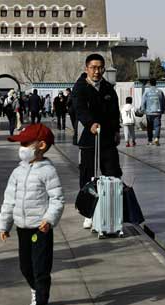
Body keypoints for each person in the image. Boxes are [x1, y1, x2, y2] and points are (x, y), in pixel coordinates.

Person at [0, 123, 64, 305]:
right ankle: (37, 291)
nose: (22, 148)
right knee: (25, 266)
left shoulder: (48, 171)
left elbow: (57, 199)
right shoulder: (17, 172)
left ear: (41, 145)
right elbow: (9, 200)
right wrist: (4, 224)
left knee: (40, 268)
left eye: (26, 143)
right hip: (21, 227)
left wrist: (49, 219)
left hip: (40, 228)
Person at [72, 53, 122, 229]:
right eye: (93, 67)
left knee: (113, 173)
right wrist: (90, 123)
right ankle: (88, 212)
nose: (97, 71)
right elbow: (79, 109)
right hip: (88, 138)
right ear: (86, 68)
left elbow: (115, 111)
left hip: (107, 139)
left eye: (100, 67)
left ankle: (112, 210)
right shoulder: (79, 88)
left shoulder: (108, 88)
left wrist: (117, 130)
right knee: (88, 176)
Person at [140, 78, 165, 146]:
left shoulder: (146, 91)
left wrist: (143, 110)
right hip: (158, 111)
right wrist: (163, 109)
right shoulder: (160, 91)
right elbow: (163, 101)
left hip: (149, 112)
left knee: (149, 127)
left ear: (149, 83)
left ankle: (150, 140)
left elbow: (143, 102)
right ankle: (156, 138)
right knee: (157, 126)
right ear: (156, 83)